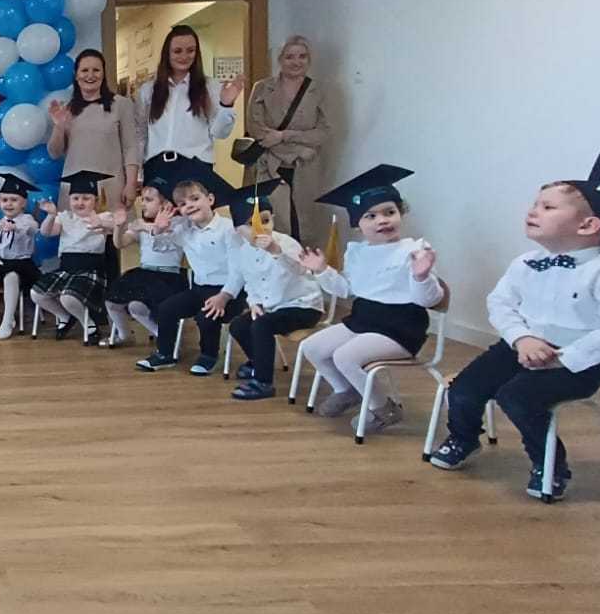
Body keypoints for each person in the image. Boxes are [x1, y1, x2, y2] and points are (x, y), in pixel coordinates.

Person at [428, 155, 600, 499]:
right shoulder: (526, 263)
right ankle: (464, 438)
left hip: (575, 365)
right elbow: (500, 303)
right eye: (535, 204)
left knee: (518, 398)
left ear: (588, 225)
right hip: (518, 348)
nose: (533, 211)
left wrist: (564, 358)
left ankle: (549, 464)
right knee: (464, 389)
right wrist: (521, 338)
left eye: (547, 207)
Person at [296, 165, 442, 432]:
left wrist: (422, 276)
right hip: (363, 319)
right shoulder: (357, 253)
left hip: (401, 326)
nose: (382, 220)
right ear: (358, 224)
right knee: (312, 347)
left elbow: (429, 300)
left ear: (401, 213)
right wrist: (322, 270)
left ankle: (383, 409)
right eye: (371, 216)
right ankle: (347, 390)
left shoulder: (415, 250)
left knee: (345, 356)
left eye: (390, 212)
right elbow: (345, 290)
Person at [135, 163, 244, 374]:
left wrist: (224, 297)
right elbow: (162, 245)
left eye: (195, 199)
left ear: (210, 199)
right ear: (180, 210)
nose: (190, 206)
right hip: (200, 289)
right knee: (167, 308)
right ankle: (164, 354)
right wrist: (158, 228)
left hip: (231, 292)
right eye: (183, 204)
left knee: (206, 316)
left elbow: (239, 270)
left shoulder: (229, 229)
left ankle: (208, 356)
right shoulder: (185, 229)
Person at [224, 179, 324, 401]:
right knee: (239, 325)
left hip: (302, 306)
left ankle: (263, 382)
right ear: (238, 230)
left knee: (263, 325)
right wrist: (254, 303)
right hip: (273, 307)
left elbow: (299, 269)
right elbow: (250, 283)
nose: (261, 228)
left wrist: (276, 251)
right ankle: (258, 362)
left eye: (266, 220)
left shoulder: (286, 243)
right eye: (251, 224)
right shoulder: (242, 252)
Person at [244, 35, 330, 244]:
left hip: (304, 166)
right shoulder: (262, 87)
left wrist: (284, 135)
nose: (296, 62)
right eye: (290, 56)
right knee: (272, 223)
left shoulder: (319, 90)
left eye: (302, 56)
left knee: (303, 224)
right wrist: (297, 148)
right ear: (280, 59)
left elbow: (323, 132)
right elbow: (256, 129)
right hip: (269, 165)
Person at [134, 24, 244, 183]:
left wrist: (226, 106)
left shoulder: (210, 87)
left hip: (196, 167)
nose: (184, 56)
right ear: (167, 53)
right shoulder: (148, 89)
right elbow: (140, 133)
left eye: (190, 50)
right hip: (156, 166)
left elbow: (220, 133)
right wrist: (137, 172)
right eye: (177, 51)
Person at [100, 166, 188, 349]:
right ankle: (123, 334)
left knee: (136, 306)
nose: (143, 204)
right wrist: (119, 227)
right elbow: (120, 243)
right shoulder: (141, 223)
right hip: (144, 273)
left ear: (165, 205)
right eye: (142, 199)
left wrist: (148, 228)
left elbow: (164, 237)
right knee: (112, 301)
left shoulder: (180, 224)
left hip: (168, 277)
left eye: (149, 200)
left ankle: (164, 337)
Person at [46, 49, 140, 210]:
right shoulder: (66, 109)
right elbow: (54, 153)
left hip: (111, 187)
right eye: (84, 70)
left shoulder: (121, 104)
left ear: (103, 74)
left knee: (112, 226)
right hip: (75, 192)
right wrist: (59, 126)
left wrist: (131, 184)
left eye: (96, 70)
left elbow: (130, 147)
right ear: (76, 75)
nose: (90, 75)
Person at [30, 170, 115, 345]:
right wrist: (51, 215)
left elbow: (113, 227)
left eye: (86, 198)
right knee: (37, 294)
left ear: (95, 200)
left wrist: (100, 223)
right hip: (67, 269)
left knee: (67, 297)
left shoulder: (103, 216)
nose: (80, 202)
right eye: (75, 198)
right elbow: (47, 232)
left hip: (91, 269)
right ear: (69, 200)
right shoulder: (64, 217)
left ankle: (89, 325)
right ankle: (64, 317)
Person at [0, 171, 40, 340]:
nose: (8, 204)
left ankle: (8, 319)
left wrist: (16, 228)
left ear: (23, 203)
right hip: (2, 262)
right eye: (4, 200)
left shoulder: (28, 220)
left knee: (11, 276)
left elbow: (32, 230)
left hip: (22, 265)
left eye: (14, 200)